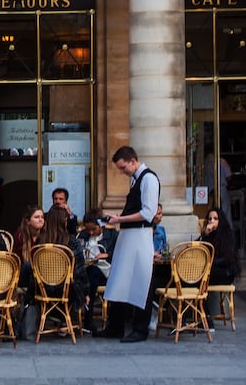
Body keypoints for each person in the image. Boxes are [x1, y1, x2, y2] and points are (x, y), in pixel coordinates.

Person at [95, 145, 159, 343]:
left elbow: (148, 213)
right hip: (130, 235)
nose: (122, 172)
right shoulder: (136, 179)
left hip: (140, 236)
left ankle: (140, 329)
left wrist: (119, 220)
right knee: (119, 279)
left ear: (133, 160)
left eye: (123, 167)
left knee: (141, 281)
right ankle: (116, 326)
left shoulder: (148, 178)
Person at [198, 207, 240, 329]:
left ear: (220, 221)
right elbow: (198, 247)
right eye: (210, 218)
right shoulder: (208, 235)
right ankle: (204, 318)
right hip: (211, 271)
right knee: (197, 279)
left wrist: (210, 263)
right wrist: (205, 234)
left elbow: (228, 259)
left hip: (225, 273)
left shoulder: (227, 235)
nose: (211, 221)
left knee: (200, 280)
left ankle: (207, 320)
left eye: (215, 219)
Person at [77, 210, 117, 330]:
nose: (91, 232)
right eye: (88, 230)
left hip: (106, 271)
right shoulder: (83, 235)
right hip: (87, 269)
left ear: (101, 225)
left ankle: (88, 316)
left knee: (92, 274)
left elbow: (120, 252)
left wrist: (108, 254)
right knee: (88, 275)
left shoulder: (112, 234)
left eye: (93, 229)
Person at [13, 205, 45, 287]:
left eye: (42, 217)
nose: (40, 220)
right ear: (28, 221)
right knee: (28, 265)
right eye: (37, 217)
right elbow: (16, 262)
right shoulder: (19, 237)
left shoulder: (46, 236)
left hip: (43, 274)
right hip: (24, 275)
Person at [205, 147, 233, 228]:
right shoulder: (222, 162)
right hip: (222, 189)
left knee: (212, 214)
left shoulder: (205, 163)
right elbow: (229, 177)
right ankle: (226, 232)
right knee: (225, 213)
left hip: (209, 191)